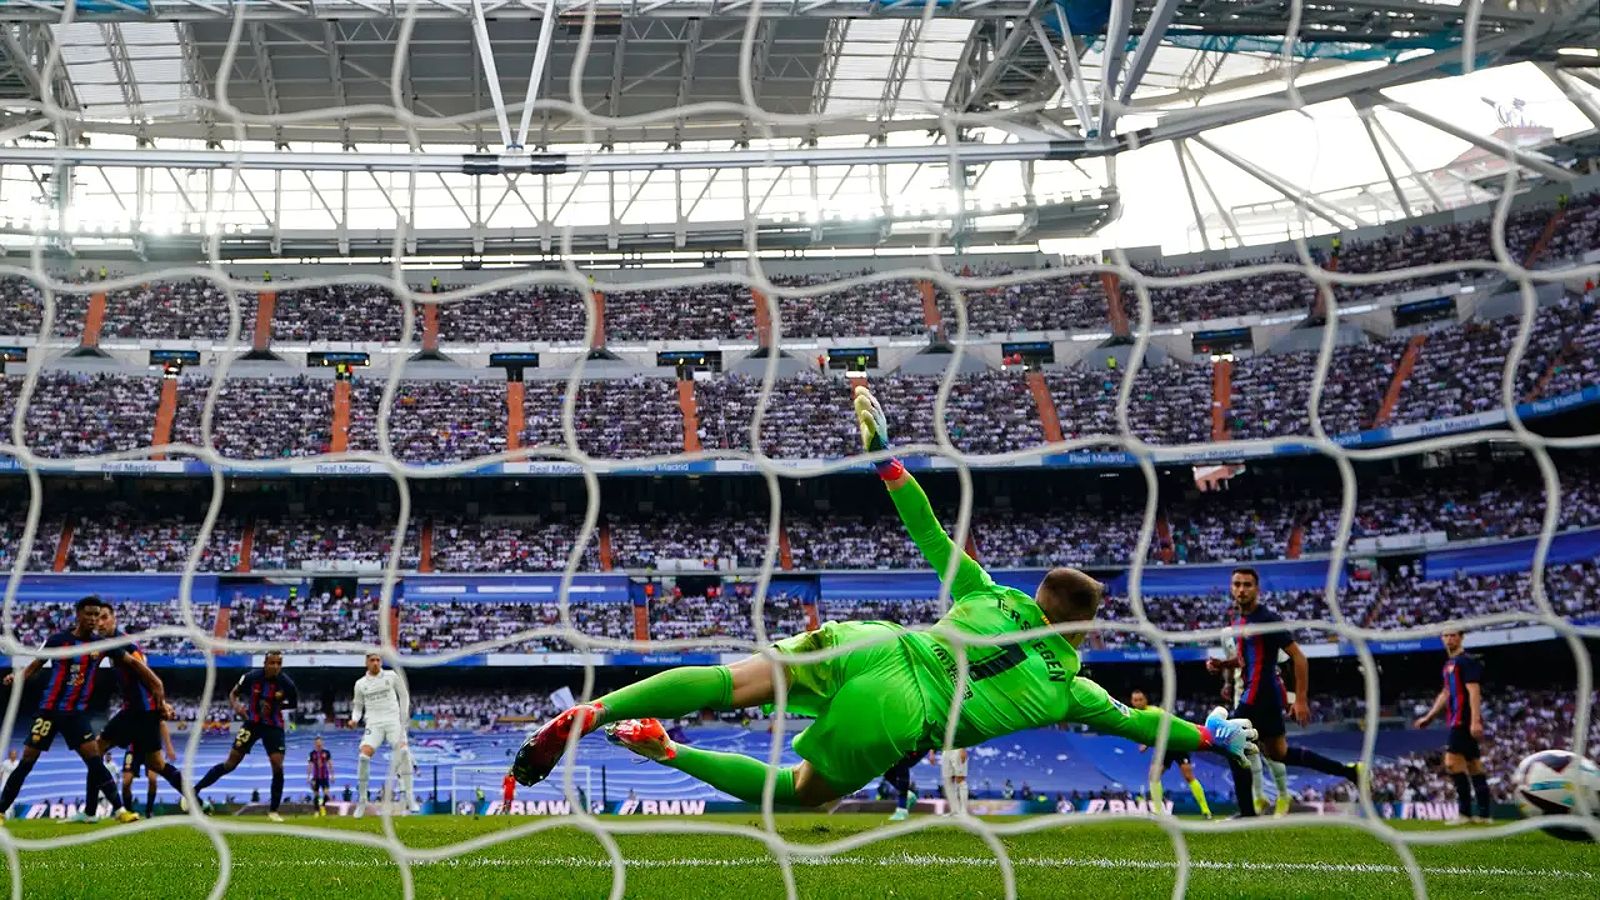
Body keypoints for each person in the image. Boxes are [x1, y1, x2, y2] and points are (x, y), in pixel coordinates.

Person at [510, 386, 1257, 805]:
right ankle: (671, 752)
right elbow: (1147, 727)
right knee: (804, 795)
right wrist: (1212, 737)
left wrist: (887, 458)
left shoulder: (987, 591)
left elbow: (930, 530)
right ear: (1086, 630)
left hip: (878, 641)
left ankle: (602, 708)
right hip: (905, 708)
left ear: (1037, 596)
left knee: (733, 681)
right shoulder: (1074, 692)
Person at [1207, 568, 1359, 816]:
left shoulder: (1267, 619)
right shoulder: (1239, 622)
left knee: (1229, 743)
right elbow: (1247, 661)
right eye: (1237, 584)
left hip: (1259, 694)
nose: (1241, 589)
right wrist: (1221, 665)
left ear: (1257, 589)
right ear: (1231, 588)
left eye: (1247, 584)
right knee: (1280, 753)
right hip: (1262, 696)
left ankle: (1247, 814)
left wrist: (1300, 699)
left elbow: (1299, 657)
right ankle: (1351, 772)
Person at [0, 597, 149, 824]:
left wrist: (151, 679)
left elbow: (130, 659)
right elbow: (35, 665)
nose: (93, 619)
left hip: (75, 715)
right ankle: (1, 811)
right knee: (27, 762)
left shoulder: (100, 644)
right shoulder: (59, 640)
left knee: (95, 762)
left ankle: (120, 811)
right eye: (89, 614)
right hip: (49, 711)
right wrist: (17, 677)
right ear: (78, 614)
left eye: (97, 615)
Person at [94, 603, 188, 816]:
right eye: (96, 618)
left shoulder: (123, 644)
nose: (99, 623)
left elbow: (145, 671)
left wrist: (160, 698)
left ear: (114, 619)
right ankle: (196, 799)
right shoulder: (117, 642)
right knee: (157, 764)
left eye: (104, 617)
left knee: (96, 750)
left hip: (139, 712)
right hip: (142, 711)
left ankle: (97, 811)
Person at [192, 651, 299, 822]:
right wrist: (237, 707)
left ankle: (273, 811)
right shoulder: (251, 677)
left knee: (277, 766)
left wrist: (278, 706)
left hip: (274, 726)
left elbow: (293, 703)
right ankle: (195, 790)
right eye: (272, 663)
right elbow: (233, 693)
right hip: (252, 723)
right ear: (265, 663)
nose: (275, 667)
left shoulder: (286, 684)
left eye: (279, 663)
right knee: (231, 763)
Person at [1413, 630, 1489, 823]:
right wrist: (1429, 717)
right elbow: (1446, 693)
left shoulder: (1466, 661)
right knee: (1474, 765)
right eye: (1445, 636)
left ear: (1461, 637)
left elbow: (1474, 691)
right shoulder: (1449, 664)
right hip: (1455, 718)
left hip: (1463, 720)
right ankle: (1484, 815)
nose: (1449, 639)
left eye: (1453, 635)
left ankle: (1465, 813)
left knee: (1451, 763)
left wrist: (1475, 720)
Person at [1129, 689, 1212, 819]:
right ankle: (1158, 811)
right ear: (1132, 702)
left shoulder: (1154, 712)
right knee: (1153, 775)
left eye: (1141, 699)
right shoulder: (1135, 715)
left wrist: (1147, 743)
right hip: (1163, 748)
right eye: (1135, 700)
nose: (1138, 702)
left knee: (1188, 776)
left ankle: (1206, 811)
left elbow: (1167, 725)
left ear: (1146, 700)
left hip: (1175, 743)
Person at [350, 653, 415, 816]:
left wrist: (403, 714)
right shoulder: (360, 684)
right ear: (366, 662)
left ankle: (409, 796)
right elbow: (358, 707)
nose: (375, 663)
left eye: (378, 660)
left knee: (404, 752)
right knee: (363, 757)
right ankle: (363, 800)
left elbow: (404, 695)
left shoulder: (391, 676)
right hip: (374, 724)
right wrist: (354, 719)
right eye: (372, 660)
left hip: (393, 722)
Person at [881, 749, 925, 821]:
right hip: (906, 746)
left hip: (917, 746)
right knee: (888, 773)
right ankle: (908, 795)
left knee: (902, 764)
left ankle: (902, 809)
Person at [308, 736, 334, 817]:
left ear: (322, 743)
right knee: (316, 794)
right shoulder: (312, 754)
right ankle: (316, 811)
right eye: (317, 743)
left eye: (320, 742)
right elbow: (310, 765)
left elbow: (330, 764)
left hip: (324, 776)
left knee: (326, 793)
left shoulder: (326, 752)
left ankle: (322, 805)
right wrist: (308, 776)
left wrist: (332, 775)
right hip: (316, 777)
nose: (319, 744)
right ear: (315, 744)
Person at [941, 746, 969, 816]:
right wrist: (932, 752)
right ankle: (954, 811)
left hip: (957, 749)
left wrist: (963, 749)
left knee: (960, 779)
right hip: (945, 750)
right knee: (949, 781)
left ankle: (963, 812)